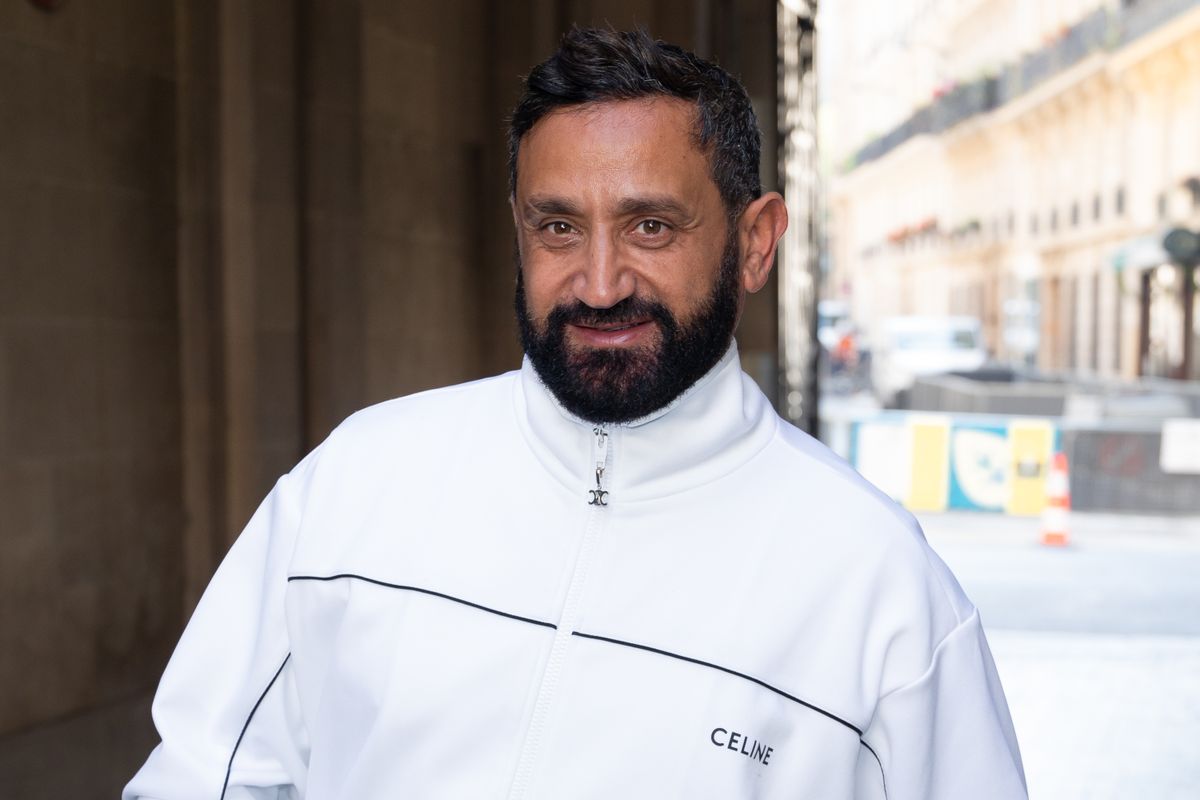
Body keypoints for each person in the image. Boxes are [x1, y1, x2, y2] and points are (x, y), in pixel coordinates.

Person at [125, 28, 1026, 800]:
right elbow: (205, 773)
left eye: (651, 227)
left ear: (755, 244)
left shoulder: (877, 583)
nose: (600, 284)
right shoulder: (361, 481)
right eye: (559, 227)